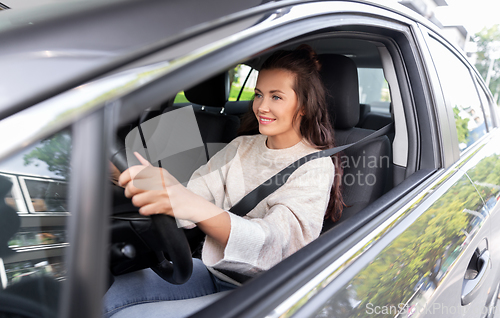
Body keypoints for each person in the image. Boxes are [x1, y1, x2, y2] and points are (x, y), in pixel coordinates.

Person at [103, 44, 344, 318]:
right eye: (259, 94)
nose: (261, 107)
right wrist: (128, 178)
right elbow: (195, 195)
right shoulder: (243, 146)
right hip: (213, 269)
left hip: (265, 292)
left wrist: (192, 206)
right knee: (105, 296)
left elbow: (279, 245)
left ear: (303, 106)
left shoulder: (316, 165)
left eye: (276, 97)